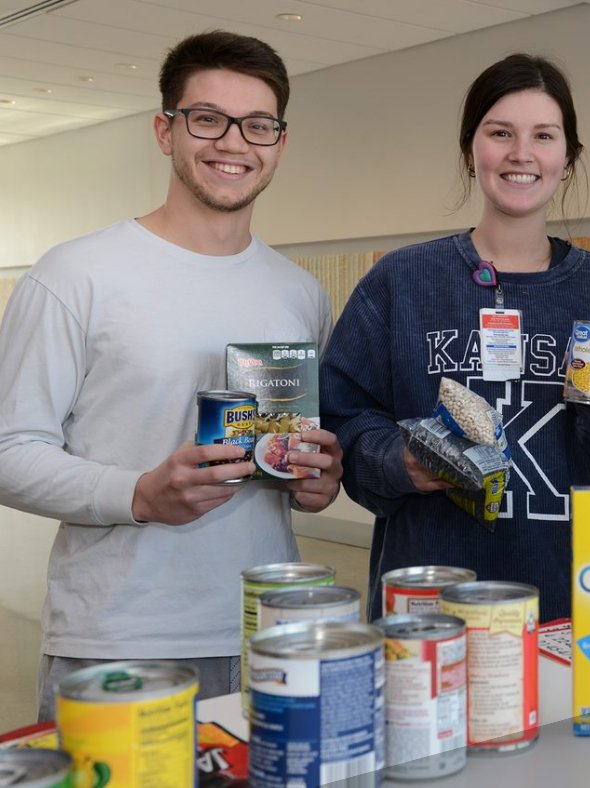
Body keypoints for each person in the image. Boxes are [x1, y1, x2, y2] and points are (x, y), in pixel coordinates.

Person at [0, 31, 343, 720]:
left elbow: (302, 458)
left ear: (279, 140)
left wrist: (319, 480)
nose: (233, 143)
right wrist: (139, 494)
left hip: (265, 627)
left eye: (257, 124)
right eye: (207, 119)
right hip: (116, 639)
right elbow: (8, 452)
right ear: (166, 129)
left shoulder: (299, 292)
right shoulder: (76, 275)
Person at [320, 54, 590, 622]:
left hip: (579, 608)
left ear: (568, 157)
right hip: (430, 605)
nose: (521, 154)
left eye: (543, 136)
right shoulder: (402, 280)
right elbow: (341, 419)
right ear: (470, 148)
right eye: (499, 133)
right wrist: (395, 462)